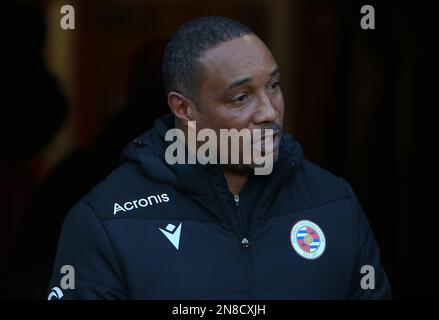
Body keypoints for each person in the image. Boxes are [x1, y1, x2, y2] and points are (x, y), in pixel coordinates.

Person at [48, 16, 391, 299]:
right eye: (241, 97)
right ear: (183, 108)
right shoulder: (107, 222)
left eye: (273, 86)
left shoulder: (334, 203)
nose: (270, 112)